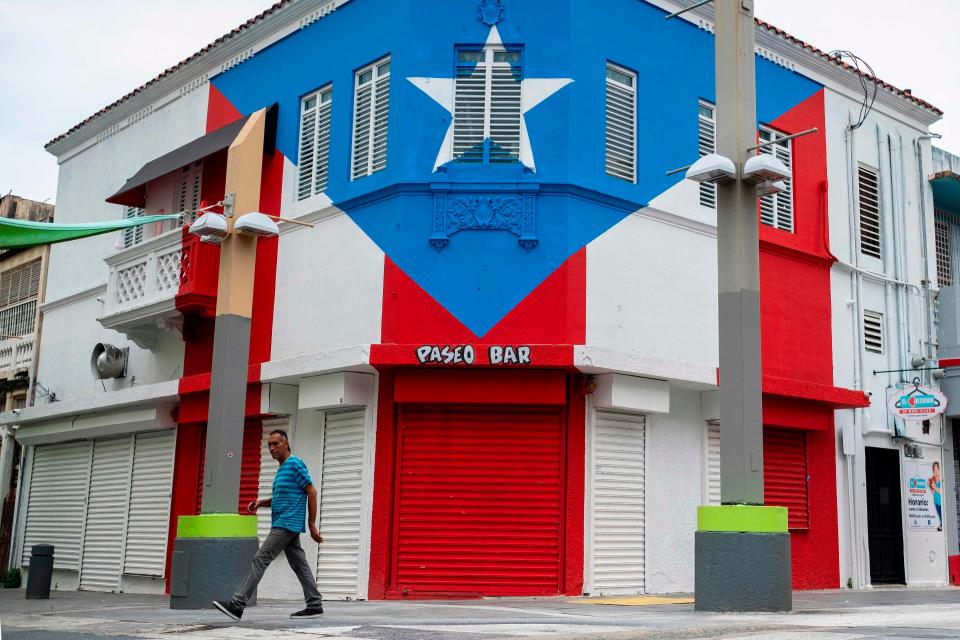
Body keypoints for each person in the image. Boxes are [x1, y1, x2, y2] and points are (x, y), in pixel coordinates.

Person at [213, 429, 324, 620]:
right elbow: (283, 497)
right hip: (285, 522)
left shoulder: (294, 464)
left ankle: (237, 604)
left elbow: (311, 492)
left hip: (286, 523)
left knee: (260, 558)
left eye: (276, 444)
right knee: (299, 564)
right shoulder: (282, 469)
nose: (272, 448)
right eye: (269, 445)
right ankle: (314, 605)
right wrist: (260, 503)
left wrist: (312, 523)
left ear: (286, 444)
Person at [930, 461, 942, 532]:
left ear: (940, 470)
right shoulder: (933, 480)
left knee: (942, 515)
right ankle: (941, 524)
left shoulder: (942, 480)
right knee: (939, 515)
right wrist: (930, 485)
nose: (936, 472)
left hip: (941, 503)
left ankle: (942, 525)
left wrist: (934, 487)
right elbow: (933, 491)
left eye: (937, 469)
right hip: (936, 502)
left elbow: (942, 492)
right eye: (934, 470)